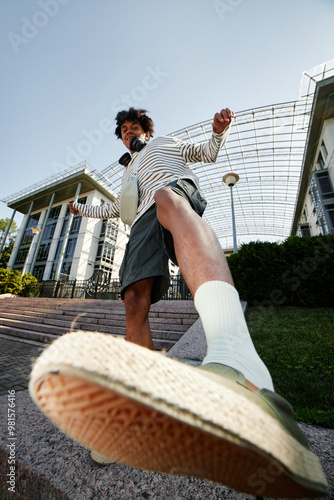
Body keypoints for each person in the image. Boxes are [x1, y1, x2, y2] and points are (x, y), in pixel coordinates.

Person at [29, 108, 328, 497]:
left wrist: (219, 132)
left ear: (146, 129)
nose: (128, 133)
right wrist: (80, 209)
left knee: (165, 195)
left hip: (174, 194)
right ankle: (144, 399)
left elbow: (205, 152)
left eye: (133, 127)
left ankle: (238, 358)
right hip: (139, 224)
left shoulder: (166, 143)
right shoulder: (126, 170)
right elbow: (116, 209)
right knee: (134, 300)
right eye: (123, 130)